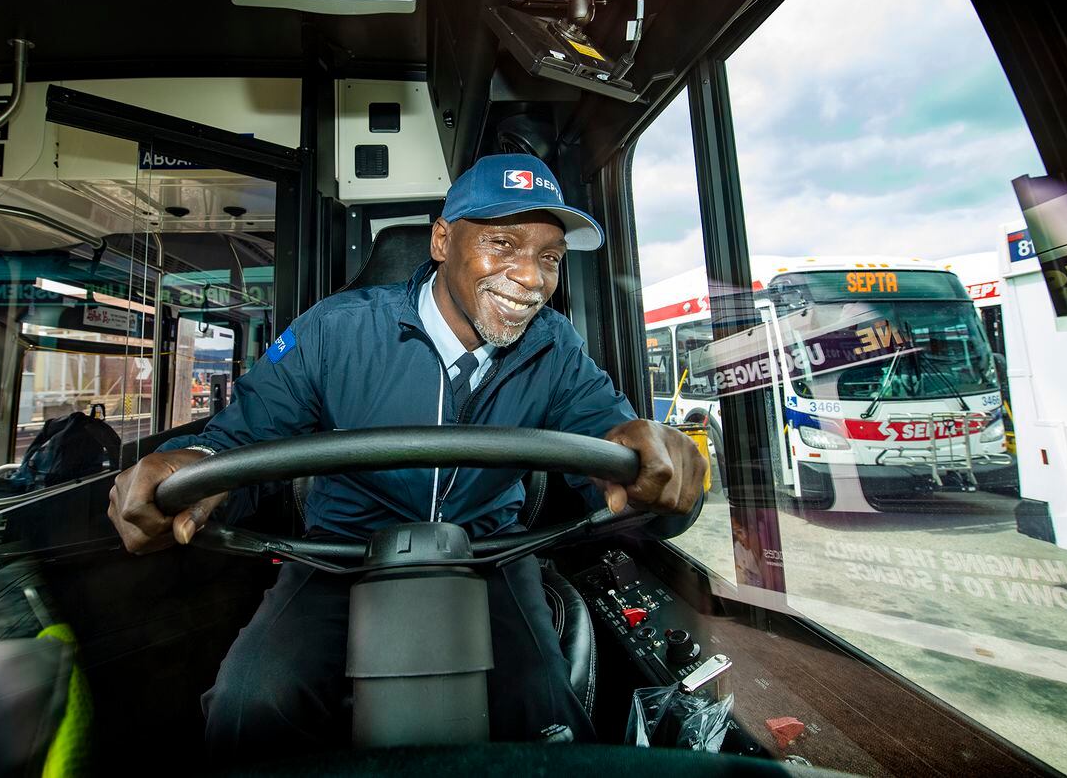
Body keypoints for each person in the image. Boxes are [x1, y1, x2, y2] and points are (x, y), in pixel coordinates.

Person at [107, 153, 708, 757]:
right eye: (503, 245)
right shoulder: (334, 331)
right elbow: (241, 440)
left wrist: (652, 456)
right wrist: (192, 465)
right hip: (341, 556)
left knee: (547, 720)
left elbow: (608, 433)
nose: (531, 277)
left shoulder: (555, 346)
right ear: (443, 241)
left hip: (490, 558)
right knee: (250, 706)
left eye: (549, 256)